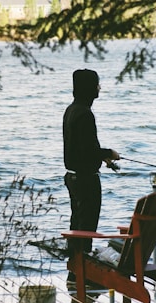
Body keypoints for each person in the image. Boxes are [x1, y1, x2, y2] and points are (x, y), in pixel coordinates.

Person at [63, 69, 120, 262]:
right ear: (89, 88)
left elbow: (79, 148)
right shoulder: (85, 114)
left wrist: (102, 159)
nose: (99, 88)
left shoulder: (71, 110)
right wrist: (108, 153)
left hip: (72, 176)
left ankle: (75, 266)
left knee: (77, 224)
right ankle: (83, 269)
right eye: (97, 84)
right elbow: (88, 150)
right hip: (86, 180)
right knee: (86, 227)